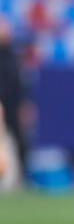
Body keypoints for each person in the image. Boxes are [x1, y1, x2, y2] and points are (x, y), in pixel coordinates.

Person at [0, 16, 28, 187]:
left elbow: (18, 83)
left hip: (12, 107)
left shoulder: (12, 55)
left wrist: (23, 103)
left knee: (16, 142)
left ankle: (16, 179)